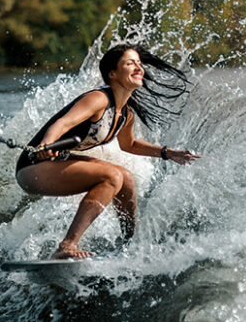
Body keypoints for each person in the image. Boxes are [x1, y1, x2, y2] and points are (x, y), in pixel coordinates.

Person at [15, 43, 200, 259]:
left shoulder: (125, 114)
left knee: (126, 178)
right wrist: (45, 145)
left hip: (56, 163)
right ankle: (67, 245)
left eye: (139, 64)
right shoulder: (98, 99)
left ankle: (128, 245)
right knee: (111, 176)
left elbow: (129, 145)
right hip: (33, 167)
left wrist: (168, 153)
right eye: (130, 63)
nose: (139, 68)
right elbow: (63, 124)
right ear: (112, 73)